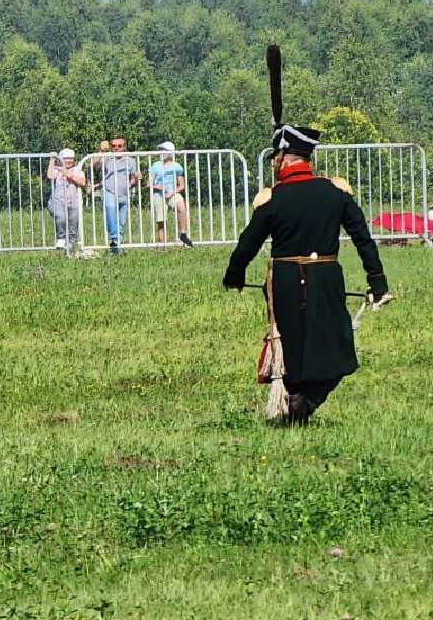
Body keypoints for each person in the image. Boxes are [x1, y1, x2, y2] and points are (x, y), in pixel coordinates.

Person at [223, 124, 389, 425]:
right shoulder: (334, 193)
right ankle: (302, 404)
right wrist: (377, 281)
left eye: (276, 157)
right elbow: (363, 239)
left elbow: (248, 243)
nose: (274, 163)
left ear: (284, 157)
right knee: (335, 347)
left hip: (286, 280)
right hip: (326, 277)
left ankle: (302, 401)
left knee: (296, 347)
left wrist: (234, 275)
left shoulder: (274, 198)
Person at [96, 137, 141, 254]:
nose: (116, 148)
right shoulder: (107, 158)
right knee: (110, 208)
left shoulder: (131, 160)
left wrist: (136, 179)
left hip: (124, 194)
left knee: (121, 222)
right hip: (108, 190)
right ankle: (114, 238)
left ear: (124, 147)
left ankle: (116, 250)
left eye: (119, 146)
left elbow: (132, 179)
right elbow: (94, 166)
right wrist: (101, 151)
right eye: (114, 146)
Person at [148, 141, 193, 248]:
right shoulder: (155, 166)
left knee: (181, 207)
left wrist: (172, 192)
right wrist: (158, 187)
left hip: (172, 192)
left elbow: (182, 185)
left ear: (171, 153)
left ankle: (183, 234)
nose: (162, 152)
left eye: (165, 150)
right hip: (158, 194)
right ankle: (162, 245)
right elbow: (148, 184)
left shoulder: (177, 166)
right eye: (160, 150)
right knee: (161, 221)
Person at [46, 148, 87, 257]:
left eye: (71, 159)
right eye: (66, 159)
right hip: (58, 202)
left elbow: (83, 182)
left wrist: (71, 176)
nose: (69, 161)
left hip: (74, 203)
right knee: (61, 217)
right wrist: (52, 159)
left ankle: (70, 252)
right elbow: (50, 175)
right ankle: (61, 237)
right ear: (61, 159)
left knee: (73, 227)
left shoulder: (77, 169)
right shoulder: (57, 169)